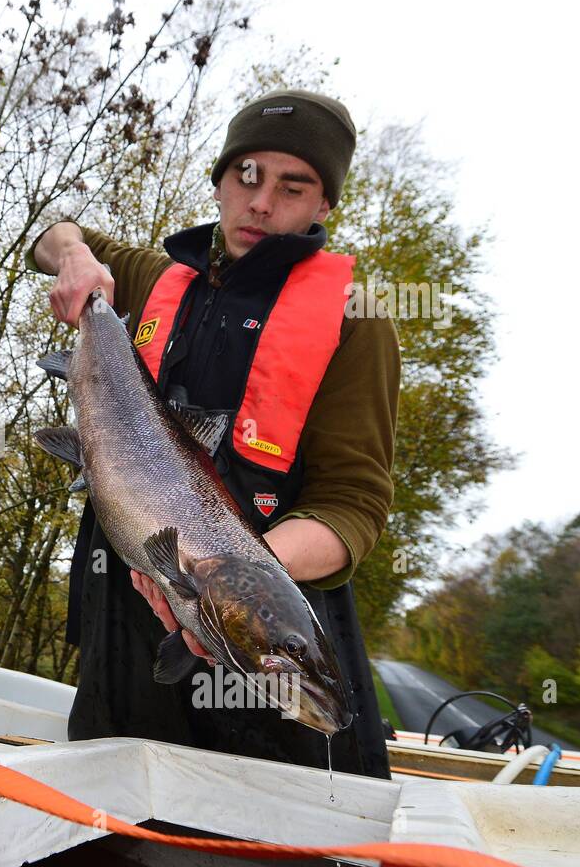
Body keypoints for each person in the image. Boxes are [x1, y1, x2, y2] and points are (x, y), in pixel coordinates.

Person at [28, 88, 399, 778]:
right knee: (106, 819)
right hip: (123, 610)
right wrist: (74, 255)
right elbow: (50, 232)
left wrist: (241, 588)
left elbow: (353, 505)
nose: (262, 202)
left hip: (266, 621)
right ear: (222, 182)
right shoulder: (149, 277)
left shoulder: (358, 319)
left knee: (276, 841)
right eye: (247, 175)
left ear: (324, 206)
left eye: (294, 185)